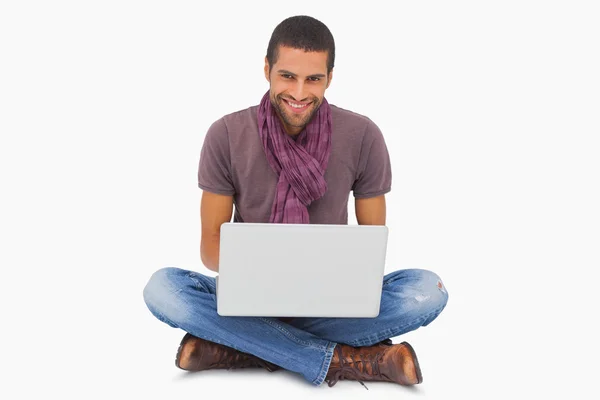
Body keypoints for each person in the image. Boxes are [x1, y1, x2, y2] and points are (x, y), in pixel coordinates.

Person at [143, 15, 449, 389]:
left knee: (425, 290)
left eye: (313, 79)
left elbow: (372, 250)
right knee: (163, 289)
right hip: (248, 299)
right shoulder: (225, 134)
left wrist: (325, 279)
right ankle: (341, 358)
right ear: (267, 69)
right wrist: (267, 271)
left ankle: (245, 345)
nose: (300, 93)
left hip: (332, 302)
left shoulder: (364, 135)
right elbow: (210, 248)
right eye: (287, 76)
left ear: (330, 78)